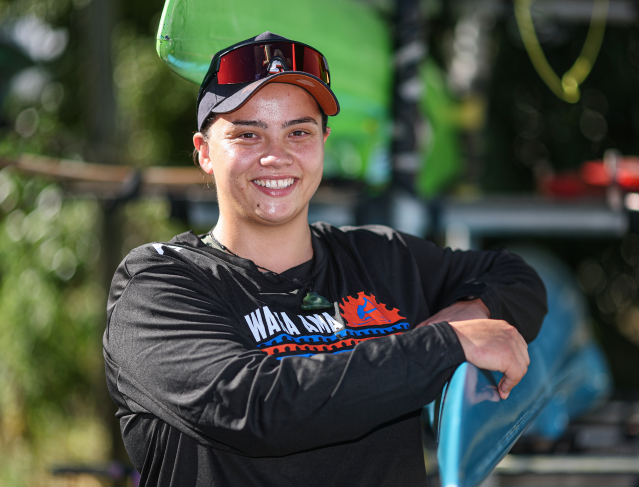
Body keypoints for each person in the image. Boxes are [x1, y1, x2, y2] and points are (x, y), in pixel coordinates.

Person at [103, 31, 547, 486]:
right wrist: (444, 343)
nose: (276, 156)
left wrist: (474, 312)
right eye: (247, 135)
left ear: (323, 142)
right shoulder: (159, 284)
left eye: (299, 132)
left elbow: (515, 276)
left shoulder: (379, 258)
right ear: (204, 153)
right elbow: (257, 407)